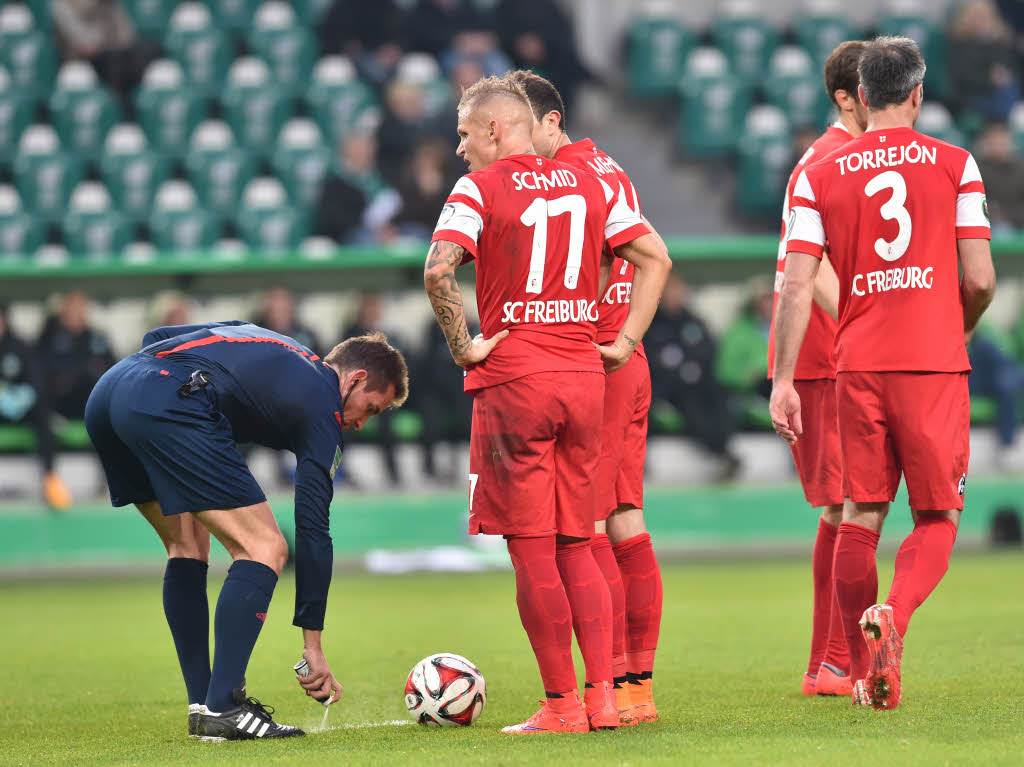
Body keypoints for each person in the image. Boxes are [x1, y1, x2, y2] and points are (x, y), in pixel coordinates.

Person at [424, 75, 671, 733]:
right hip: (585, 377)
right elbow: (652, 257)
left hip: (517, 382)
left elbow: (438, 268)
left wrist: (464, 345)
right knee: (580, 543)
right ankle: (607, 698)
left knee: (533, 550)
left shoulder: (478, 188)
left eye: (465, 134)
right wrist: (622, 339)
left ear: (497, 130)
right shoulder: (591, 182)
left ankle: (562, 703)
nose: (460, 149)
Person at [771, 36, 996, 710]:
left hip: (856, 360)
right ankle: (892, 612)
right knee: (937, 515)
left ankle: (858, 664)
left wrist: (782, 378)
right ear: (919, 94)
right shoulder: (957, 164)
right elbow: (981, 278)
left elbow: (794, 284)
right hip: (932, 359)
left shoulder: (821, 173)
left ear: (862, 96)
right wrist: (955, 327)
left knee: (858, 514)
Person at [84, 322, 408, 740]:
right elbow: (312, 529)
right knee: (265, 547)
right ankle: (224, 705)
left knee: (187, 544)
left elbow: (156, 336)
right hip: (167, 399)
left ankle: (203, 705)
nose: (363, 423)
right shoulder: (323, 406)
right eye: (372, 408)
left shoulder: (281, 346)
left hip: (111, 391)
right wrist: (313, 645)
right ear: (355, 379)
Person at [510, 67, 664, 725]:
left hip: (593, 361)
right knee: (625, 520)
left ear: (551, 120)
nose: (517, 146)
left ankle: (603, 690)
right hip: (625, 362)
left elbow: (627, 259)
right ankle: (634, 688)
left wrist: (613, 337)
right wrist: (632, 339)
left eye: (523, 130)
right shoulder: (609, 166)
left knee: (586, 530)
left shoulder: (570, 179)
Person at [765, 40, 868, 698]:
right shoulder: (831, 158)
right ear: (846, 98)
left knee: (844, 503)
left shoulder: (839, 157)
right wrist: (871, 318)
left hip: (829, 353)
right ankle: (830, 662)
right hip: (824, 355)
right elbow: (816, 267)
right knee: (845, 503)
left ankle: (827, 662)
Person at [644, 274, 740, 476]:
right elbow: (650, 357)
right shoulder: (650, 323)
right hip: (665, 388)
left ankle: (723, 448)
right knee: (689, 403)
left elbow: (708, 350)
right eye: (668, 292)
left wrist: (692, 368)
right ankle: (717, 450)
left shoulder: (693, 321)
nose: (674, 297)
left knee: (716, 395)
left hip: (698, 382)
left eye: (677, 291)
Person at [0, 305, 69, 510]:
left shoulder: (19, 346)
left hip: (17, 408)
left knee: (43, 416)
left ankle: (50, 478)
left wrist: (21, 396)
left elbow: (36, 382)